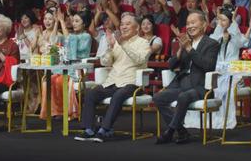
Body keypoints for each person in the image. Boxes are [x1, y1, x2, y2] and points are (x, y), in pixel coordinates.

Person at [74, 14, 150, 143]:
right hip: (113, 81)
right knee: (91, 94)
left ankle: (105, 130)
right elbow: (105, 63)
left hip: (132, 82)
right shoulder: (117, 43)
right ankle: (88, 130)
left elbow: (140, 59)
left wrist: (122, 45)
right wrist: (109, 47)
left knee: (118, 96)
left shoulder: (143, 43)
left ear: (137, 28)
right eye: (122, 24)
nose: (123, 27)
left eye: (127, 24)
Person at [154, 11, 219, 144]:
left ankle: (170, 131)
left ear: (204, 24)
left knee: (183, 97)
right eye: (188, 23)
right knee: (158, 98)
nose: (189, 26)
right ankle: (182, 131)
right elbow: (171, 65)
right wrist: (180, 50)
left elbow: (208, 66)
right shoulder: (186, 42)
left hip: (200, 86)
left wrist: (190, 49)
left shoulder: (211, 43)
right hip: (181, 84)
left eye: (193, 22)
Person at [40, 10, 91, 120]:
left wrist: (62, 21)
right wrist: (57, 23)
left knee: (59, 80)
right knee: (48, 80)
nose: (74, 23)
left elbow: (71, 45)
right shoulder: (71, 35)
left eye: (77, 21)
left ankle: (67, 111)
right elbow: (53, 41)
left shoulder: (86, 36)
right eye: (73, 21)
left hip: (77, 69)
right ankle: (55, 111)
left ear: (84, 24)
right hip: (65, 67)